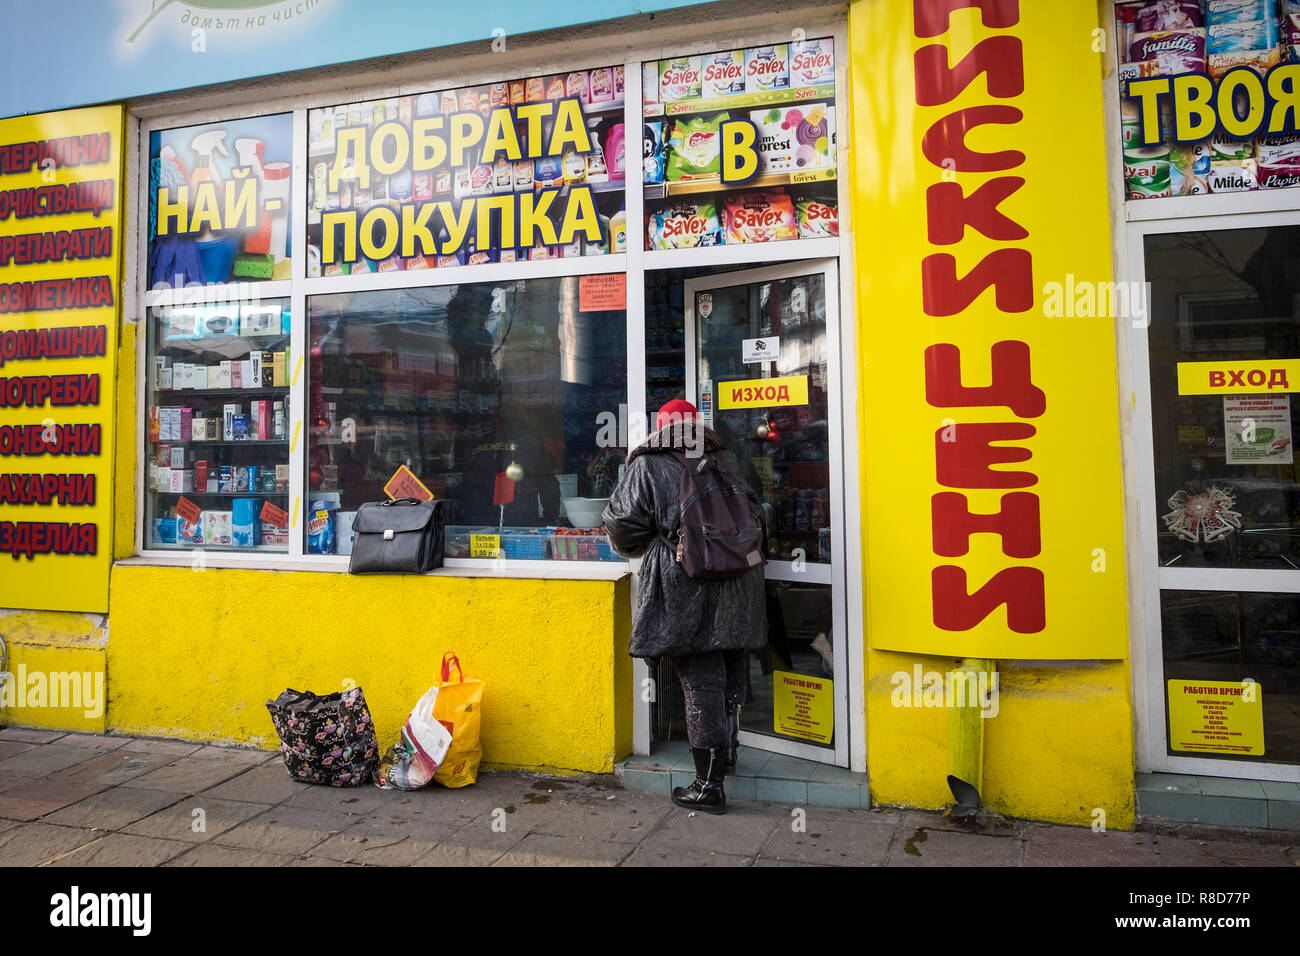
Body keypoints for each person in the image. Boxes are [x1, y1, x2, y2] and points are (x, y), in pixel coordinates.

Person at [602, 399, 766, 814]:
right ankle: (725, 754)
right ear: (698, 426)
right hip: (739, 581)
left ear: (661, 428)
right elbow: (760, 512)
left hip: (686, 583)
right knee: (730, 667)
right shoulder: (729, 457)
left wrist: (660, 539)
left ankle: (708, 786)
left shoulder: (649, 464)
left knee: (699, 682)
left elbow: (621, 526)